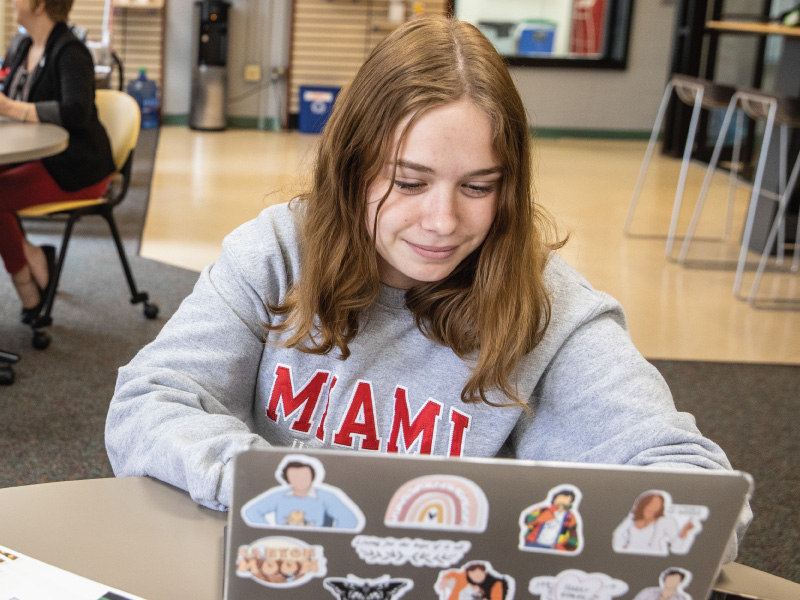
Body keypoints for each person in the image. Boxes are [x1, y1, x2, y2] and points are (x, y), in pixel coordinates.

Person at [105, 16, 750, 562]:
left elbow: (699, 493)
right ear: (351, 170)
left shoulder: (550, 311)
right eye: (409, 183)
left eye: (478, 187)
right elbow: (147, 405)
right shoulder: (279, 252)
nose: (443, 223)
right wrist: (281, 488)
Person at [0, 0, 115, 324]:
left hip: (75, 166)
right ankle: (32, 255)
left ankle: (27, 282)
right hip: (31, 155)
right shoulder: (21, 44)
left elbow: (76, 112)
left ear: (40, 5)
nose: (10, 1)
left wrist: (11, 108)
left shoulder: (71, 52)